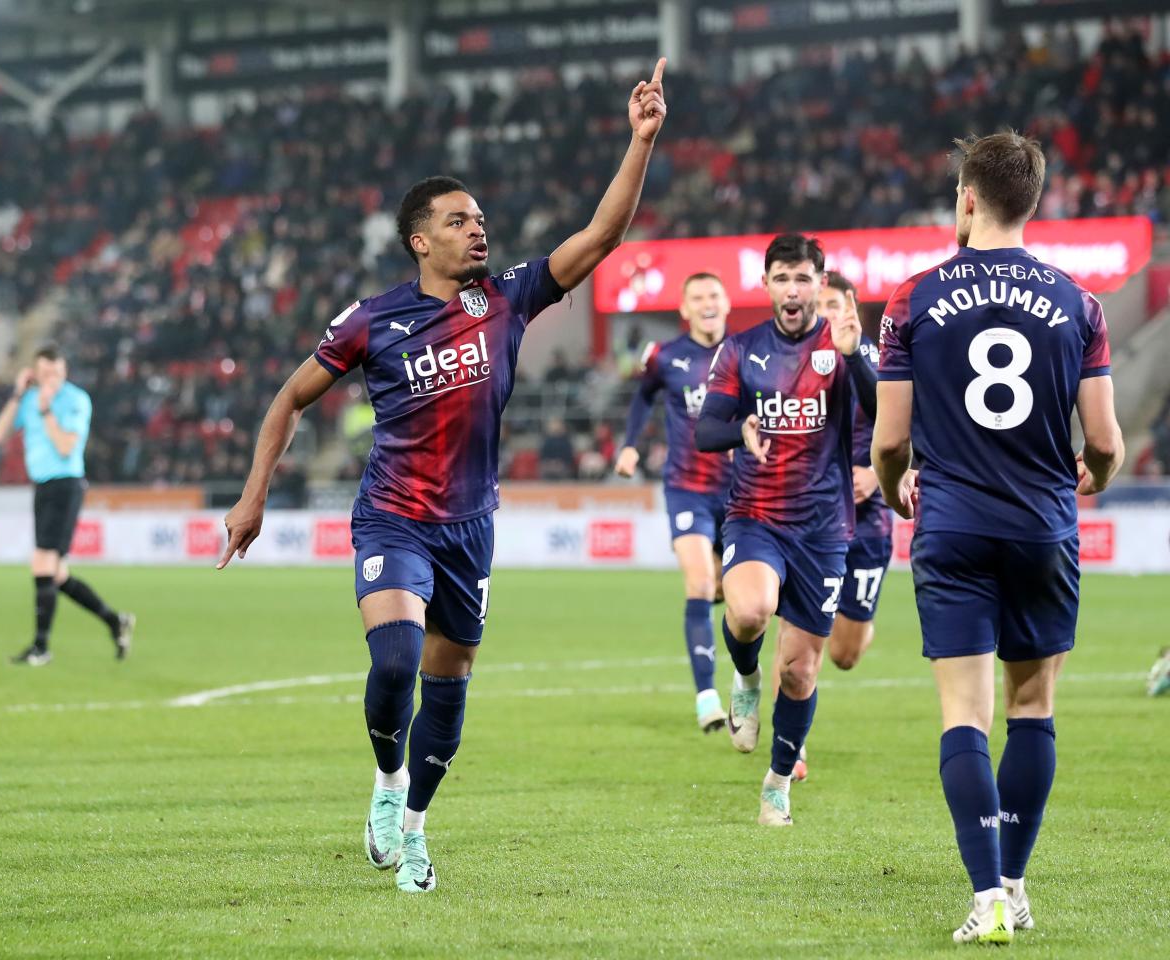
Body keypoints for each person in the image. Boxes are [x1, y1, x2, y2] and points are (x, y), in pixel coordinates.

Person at [217, 60, 668, 894]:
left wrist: (640, 141)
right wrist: (253, 496)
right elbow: (290, 398)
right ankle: (388, 783)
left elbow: (602, 236)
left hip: (471, 525)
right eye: (459, 221)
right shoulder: (372, 320)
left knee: (449, 688)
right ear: (420, 240)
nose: (478, 231)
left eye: (481, 219)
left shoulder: (508, 297)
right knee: (394, 663)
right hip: (393, 517)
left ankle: (417, 828)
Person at [872, 132, 1123, 944]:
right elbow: (1105, 442)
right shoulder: (1079, 304)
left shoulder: (912, 299)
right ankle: (1015, 884)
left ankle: (984, 899)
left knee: (964, 717)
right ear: (1033, 201)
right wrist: (1094, 476)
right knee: (1032, 708)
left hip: (951, 526)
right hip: (1042, 526)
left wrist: (895, 492)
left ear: (969, 198)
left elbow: (888, 443)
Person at [694, 234, 878, 827]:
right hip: (756, 515)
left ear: (820, 285)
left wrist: (856, 357)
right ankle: (747, 676)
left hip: (823, 530)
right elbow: (706, 430)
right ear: (766, 285)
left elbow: (888, 417)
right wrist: (740, 428)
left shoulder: (845, 346)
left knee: (800, 671)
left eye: (803, 278)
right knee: (750, 611)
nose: (793, 290)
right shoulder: (741, 349)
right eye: (782, 278)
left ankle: (777, 784)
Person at [766, 270, 890, 782]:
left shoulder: (883, 360)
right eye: (822, 306)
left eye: (837, 305)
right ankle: (789, 746)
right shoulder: (792, 364)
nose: (829, 315)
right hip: (811, 517)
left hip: (868, 520)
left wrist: (878, 474)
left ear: (853, 307)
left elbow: (916, 427)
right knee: (794, 634)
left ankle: (846, 621)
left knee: (845, 654)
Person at [615, 272, 731, 732]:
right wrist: (630, 445)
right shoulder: (666, 357)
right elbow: (643, 398)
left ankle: (745, 679)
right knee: (700, 583)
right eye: (697, 297)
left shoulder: (747, 353)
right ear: (684, 309)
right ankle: (707, 698)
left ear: (726, 303)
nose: (706, 303)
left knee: (741, 600)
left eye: (713, 295)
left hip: (742, 492)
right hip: (687, 488)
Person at [0, 344, 135, 666]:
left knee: (41, 562)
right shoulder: (28, 399)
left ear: (65, 372)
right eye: (44, 373)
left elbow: (67, 446)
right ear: (34, 373)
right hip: (42, 486)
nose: (50, 379)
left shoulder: (75, 400)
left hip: (66, 484)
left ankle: (41, 647)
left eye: (55, 373)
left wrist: (46, 411)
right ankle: (115, 621)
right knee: (56, 574)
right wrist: (18, 394)